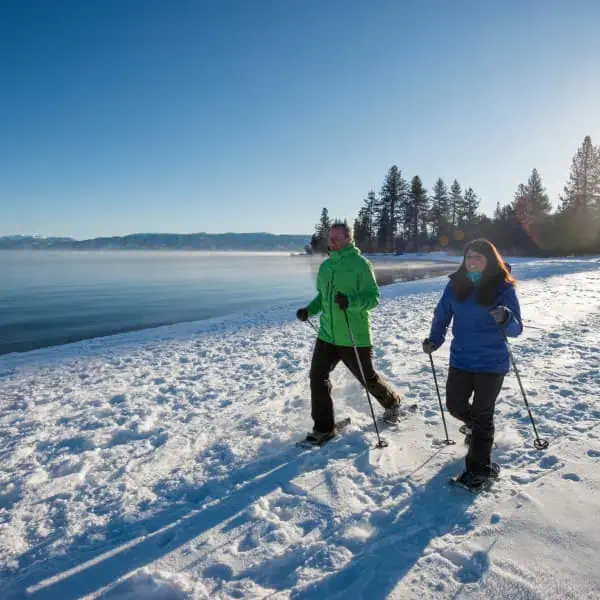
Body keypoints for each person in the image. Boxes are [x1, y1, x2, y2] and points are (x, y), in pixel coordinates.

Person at [422, 238, 523, 490]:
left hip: (491, 362)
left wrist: (506, 318)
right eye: (469, 257)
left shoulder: (503, 287)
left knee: (482, 414)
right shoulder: (456, 285)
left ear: (490, 260)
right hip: (462, 358)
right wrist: (435, 339)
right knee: (455, 405)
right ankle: (477, 431)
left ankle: (480, 470)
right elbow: (442, 314)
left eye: (478, 257)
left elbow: (516, 328)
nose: (473, 261)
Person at [296, 221, 403, 444]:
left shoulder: (361, 265)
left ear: (348, 239)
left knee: (368, 378)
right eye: (330, 237)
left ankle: (392, 403)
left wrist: (351, 301)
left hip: (354, 336)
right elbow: (322, 299)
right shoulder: (326, 267)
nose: (332, 241)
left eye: (337, 237)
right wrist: (309, 310)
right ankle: (324, 428)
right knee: (317, 378)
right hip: (327, 334)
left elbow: (373, 298)